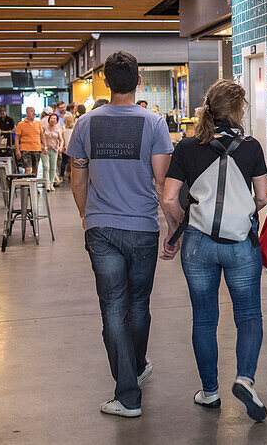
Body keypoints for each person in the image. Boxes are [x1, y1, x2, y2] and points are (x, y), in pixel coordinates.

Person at [68, 51, 174, 418]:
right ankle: (135, 372)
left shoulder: (85, 124)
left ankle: (129, 388)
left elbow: (77, 177)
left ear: (107, 82)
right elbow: (163, 184)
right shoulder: (155, 124)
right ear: (138, 80)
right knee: (138, 304)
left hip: (102, 229)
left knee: (113, 306)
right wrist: (172, 225)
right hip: (143, 226)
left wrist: (87, 215)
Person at [159, 79, 267, 421]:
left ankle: (209, 392)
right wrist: (240, 210)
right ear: (238, 110)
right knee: (248, 315)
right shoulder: (251, 147)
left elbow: (168, 197)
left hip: (198, 244)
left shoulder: (188, 147)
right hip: (240, 245)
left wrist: (179, 226)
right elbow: (263, 198)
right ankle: (245, 379)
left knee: (204, 319)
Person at [14, 107, 44, 175]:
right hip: (25, 149)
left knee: (35, 169)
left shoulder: (38, 123)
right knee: (28, 168)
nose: (34, 113)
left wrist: (44, 146)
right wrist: (17, 150)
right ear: (27, 113)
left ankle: (33, 184)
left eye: (34, 111)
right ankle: (27, 184)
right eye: (31, 111)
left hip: (36, 148)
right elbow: (17, 138)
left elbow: (42, 135)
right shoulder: (21, 124)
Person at [44, 113, 65, 190]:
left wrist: (60, 147)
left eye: (54, 119)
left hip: (54, 150)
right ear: (49, 119)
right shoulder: (44, 128)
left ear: (56, 121)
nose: (53, 120)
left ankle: (51, 184)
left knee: (53, 167)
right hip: (45, 149)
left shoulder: (58, 129)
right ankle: (47, 184)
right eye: (51, 118)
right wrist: (43, 146)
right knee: (46, 167)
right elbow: (42, 138)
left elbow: (61, 140)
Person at [61, 111, 75, 182]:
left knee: (64, 162)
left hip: (65, 148)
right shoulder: (74, 128)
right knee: (72, 163)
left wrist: (63, 146)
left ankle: (62, 176)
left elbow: (62, 138)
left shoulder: (63, 128)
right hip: (73, 148)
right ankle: (72, 175)